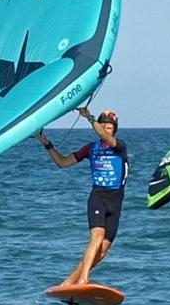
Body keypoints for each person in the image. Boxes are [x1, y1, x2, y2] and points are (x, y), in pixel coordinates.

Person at [37, 106, 127, 287]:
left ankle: (69, 281)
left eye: (109, 127)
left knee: (103, 251)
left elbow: (105, 137)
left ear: (114, 131)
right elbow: (62, 162)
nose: (105, 129)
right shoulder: (90, 149)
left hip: (115, 202)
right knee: (97, 237)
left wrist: (90, 118)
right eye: (103, 126)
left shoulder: (120, 146)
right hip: (98, 198)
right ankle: (84, 279)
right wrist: (47, 144)